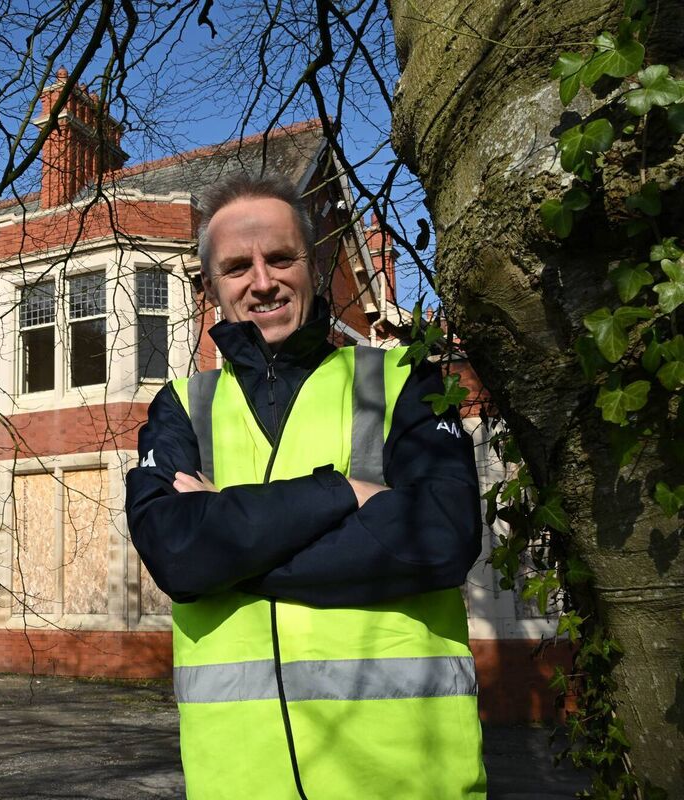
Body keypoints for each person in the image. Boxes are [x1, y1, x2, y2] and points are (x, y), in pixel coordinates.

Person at [125, 172, 487, 799]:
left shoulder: (397, 379)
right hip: (239, 780)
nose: (262, 282)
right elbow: (178, 556)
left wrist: (229, 548)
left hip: (403, 776)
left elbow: (440, 537)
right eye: (237, 266)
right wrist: (343, 493)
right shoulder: (184, 404)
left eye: (280, 258)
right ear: (211, 286)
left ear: (314, 267)